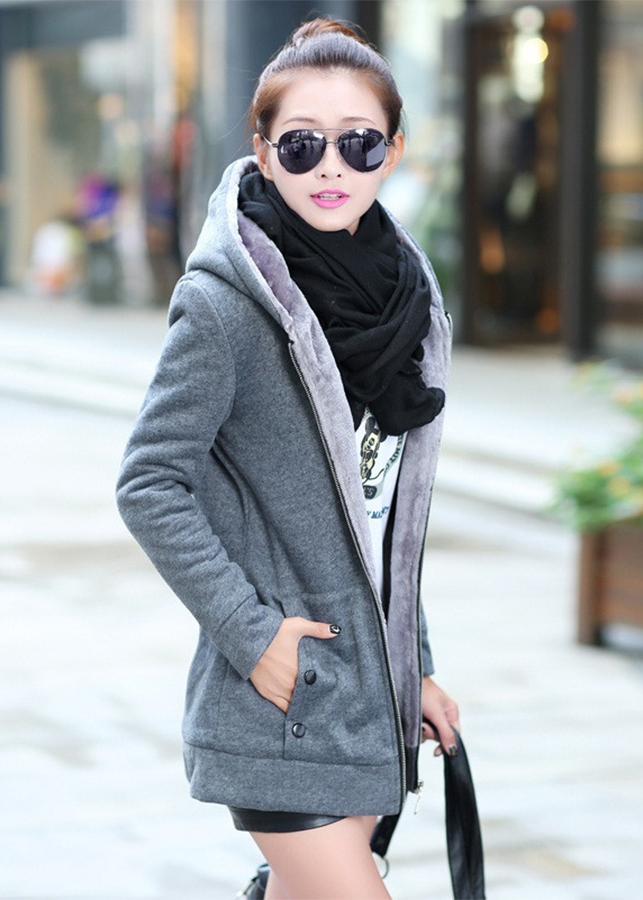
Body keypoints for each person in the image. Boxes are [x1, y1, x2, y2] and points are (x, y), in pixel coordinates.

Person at [116, 18, 459, 900]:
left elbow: (383, 517)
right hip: (282, 702)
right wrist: (254, 634)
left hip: (368, 699)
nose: (330, 167)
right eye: (302, 144)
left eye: (359, 142)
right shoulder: (225, 305)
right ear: (264, 154)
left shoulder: (406, 304)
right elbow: (149, 481)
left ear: (393, 152)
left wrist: (412, 663)